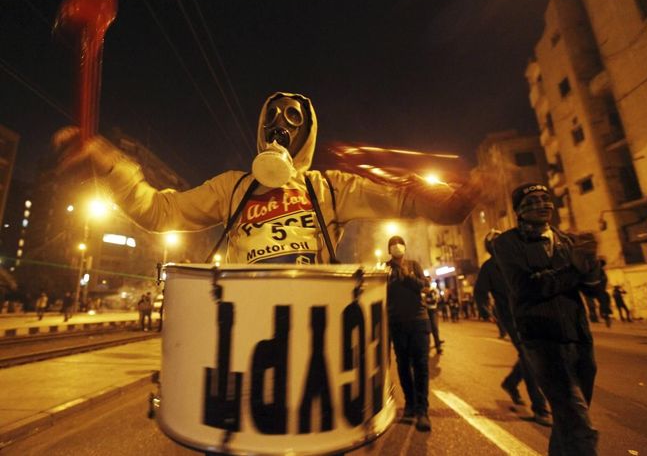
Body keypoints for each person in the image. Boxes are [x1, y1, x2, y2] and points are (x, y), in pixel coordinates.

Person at [53, 92, 489, 265]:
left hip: (313, 331)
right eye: (273, 116)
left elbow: (407, 201)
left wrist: (451, 201)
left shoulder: (330, 188)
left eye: (293, 118)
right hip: (245, 335)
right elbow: (159, 210)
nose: (281, 125)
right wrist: (110, 164)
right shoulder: (232, 187)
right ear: (260, 128)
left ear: (308, 132)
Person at [493, 182, 600, 456]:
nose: (542, 204)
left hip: (579, 339)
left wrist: (591, 262)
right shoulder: (507, 243)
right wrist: (573, 269)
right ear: (519, 210)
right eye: (532, 201)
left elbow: (594, 288)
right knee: (580, 427)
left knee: (567, 423)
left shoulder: (567, 241)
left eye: (545, 198)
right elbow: (527, 287)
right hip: (542, 341)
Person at [473, 229, 551, 426]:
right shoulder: (489, 268)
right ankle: (540, 408)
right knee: (528, 356)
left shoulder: (520, 260)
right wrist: (485, 311)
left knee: (531, 355)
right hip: (512, 320)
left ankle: (510, 383)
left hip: (533, 314)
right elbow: (480, 292)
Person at [386, 235, 432, 432]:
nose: (397, 246)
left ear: (405, 247)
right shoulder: (384, 267)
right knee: (403, 365)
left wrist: (408, 276)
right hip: (397, 323)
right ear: (389, 250)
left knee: (421, 365)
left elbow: (424, 285)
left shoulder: (414, 265)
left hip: (418, 320)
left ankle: (423, 411)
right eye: (393, 244)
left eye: (400, 243)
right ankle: (410, 405)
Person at [423, 279, 444, 354]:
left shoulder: (433, 290)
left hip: (433, 310)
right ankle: (426, 347)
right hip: (425, 311)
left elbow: (436, 299)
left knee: (435, 328)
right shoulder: (422, 290)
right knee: (427, 329)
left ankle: (438, 347)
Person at [595, 260, 612, 328]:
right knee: (604, 302)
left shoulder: (600, 271)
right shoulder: (599, 271)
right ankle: (605, 316)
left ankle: (605, 315)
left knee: (605, 301)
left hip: (601, 290)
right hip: (600, 290)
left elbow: (604, 280)